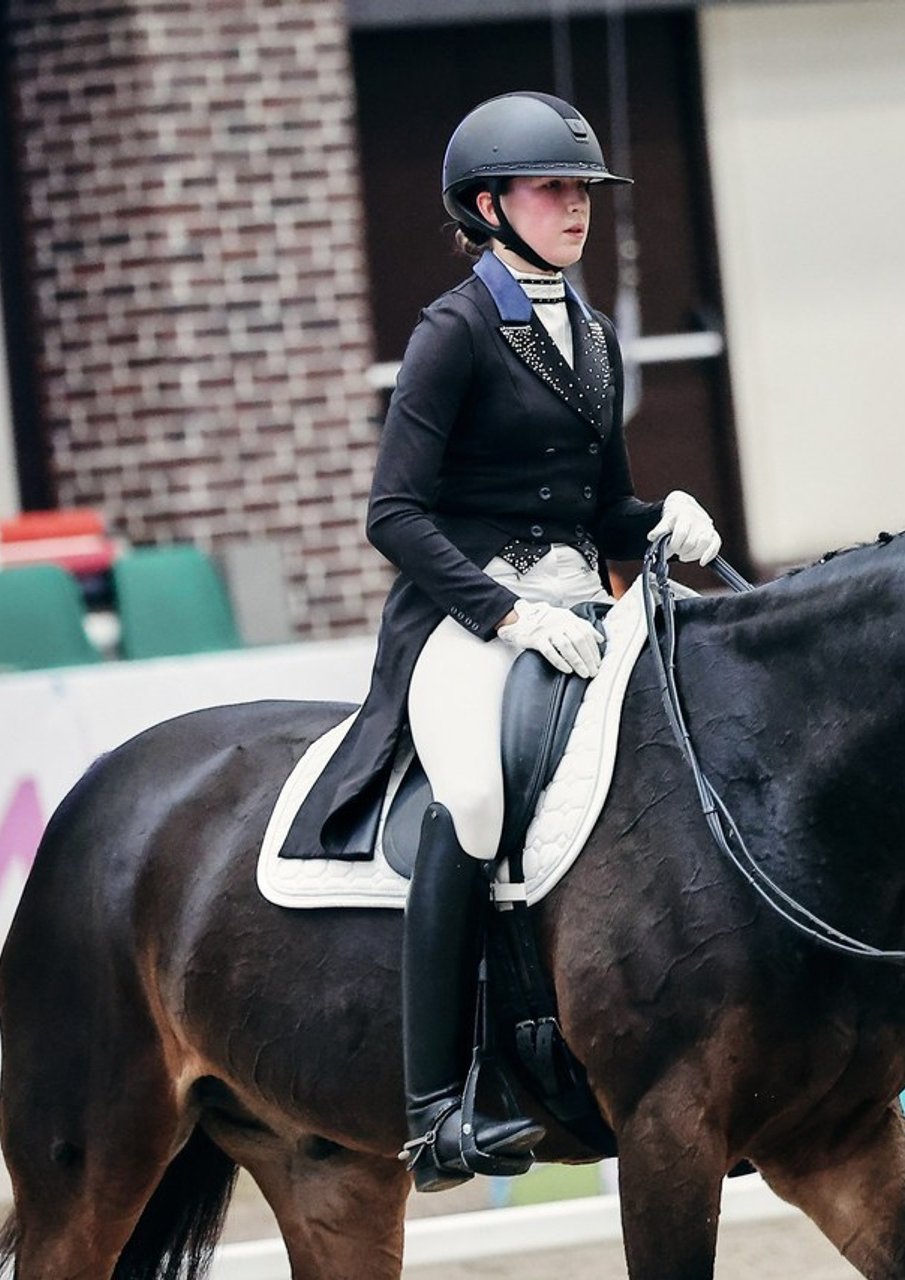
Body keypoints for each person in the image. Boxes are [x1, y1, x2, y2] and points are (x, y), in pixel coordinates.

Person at [283, 91, 721, 1191]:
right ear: (488, 205)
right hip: (466, 619)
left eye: (581, 193)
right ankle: (434, 1107)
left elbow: (600, 508)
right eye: (550, 191)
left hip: (581, 604)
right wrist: (503, 611)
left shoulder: (593, 331)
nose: (574, 210)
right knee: (472, 794)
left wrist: (662, 515)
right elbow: (392, 511)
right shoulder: (452, 330)